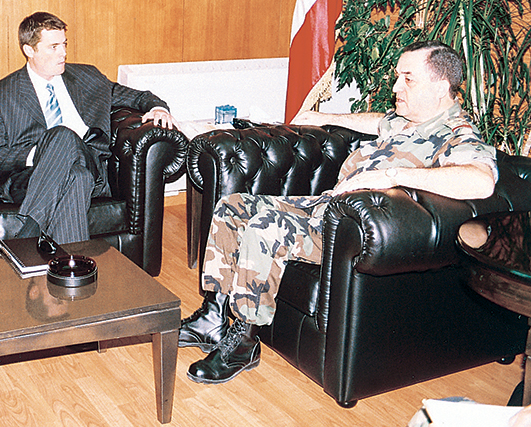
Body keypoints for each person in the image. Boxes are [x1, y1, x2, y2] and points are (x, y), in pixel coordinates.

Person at [180, 40, 498, 384]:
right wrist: (323, 118)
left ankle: (243, 342)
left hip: (350, 232)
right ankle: (212, 319)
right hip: (326, 207)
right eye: (397, 77)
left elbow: (481, 181)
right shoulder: (408, 119)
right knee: (233, 206)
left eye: (408, 79)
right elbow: (379, 121)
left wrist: (391, 176)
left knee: (266, 226)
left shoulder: (456, 133)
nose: (395, 87)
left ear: (440, 86)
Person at [0, 11, 175, 252]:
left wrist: (158, 108)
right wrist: (40, 154)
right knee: (76, 176)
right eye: (53, 47)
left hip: (91, 163)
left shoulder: (87, 77)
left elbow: (137, 97)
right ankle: (71, 268)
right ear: (29, 50)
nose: (63, 53)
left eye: (64, 44)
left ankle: (29, 232)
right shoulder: (0, 94)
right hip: (31, 178)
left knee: (63, 136)